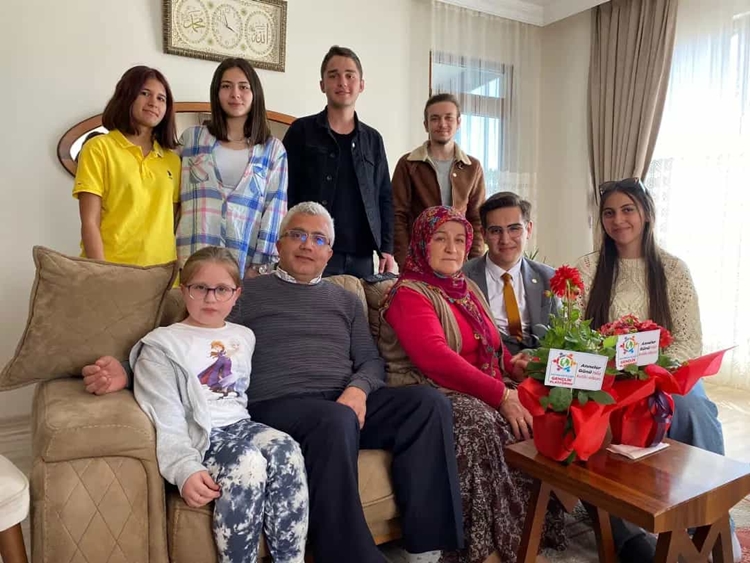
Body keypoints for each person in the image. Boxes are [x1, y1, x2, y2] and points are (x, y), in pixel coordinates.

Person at [82, 202, 464, 563]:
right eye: (297, 234)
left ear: (329, 253)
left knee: (427, 404)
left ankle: (427, 548)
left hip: (341, 404)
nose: (307, 245)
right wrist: (126, 369)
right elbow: (193, 339)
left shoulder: (346, 300)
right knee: (335, 420)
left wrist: (358, 390)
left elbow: (370, 361)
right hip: (279, 405)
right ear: (279, 244)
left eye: (318, 239)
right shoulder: (245, 295)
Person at [382, 206, 565, 563]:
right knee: (481, 424)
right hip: (428, 391)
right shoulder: (409, 293)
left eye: (459, 239)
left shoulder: (465, 288)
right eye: (440, 238)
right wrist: (501, 395)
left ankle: (528, 533)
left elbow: (491, 343)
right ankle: (485, 547)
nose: (452, 248)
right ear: (422, 242)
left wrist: (512, 366)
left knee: (541, 404)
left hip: (475, 384)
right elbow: (435, 358)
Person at [576, 177, 741, 562]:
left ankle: (714, 520)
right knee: (591, 419)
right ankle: (630, 534)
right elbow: (579, 338)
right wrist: (619, 371)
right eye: (609, 213)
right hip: (610, 378)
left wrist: (654, 374)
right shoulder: (587, 269)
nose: (618, 220)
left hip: (666, 374)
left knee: (694, 407)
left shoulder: (673, 269)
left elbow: (689, 340)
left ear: (647, 214)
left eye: (627, 210)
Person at [131, 246, 308, 563]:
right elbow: (166, 417)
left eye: (222, 289)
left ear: (236, 293)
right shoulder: (162, 345)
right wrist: (184, 468)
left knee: (287, 448)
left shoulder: (244, 337)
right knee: (247, 462)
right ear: (183, 289)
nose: (210, 298)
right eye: (200, 288)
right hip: (200, 433)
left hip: (239, 424)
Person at [282, 46, 395, 278]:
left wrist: (387, 248)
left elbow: (384, 196)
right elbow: (285, 191)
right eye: (333, 75)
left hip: (361, 253)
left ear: (361, 84)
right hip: (311, 248)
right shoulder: (301, 131)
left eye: (349, 75)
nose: (342, 82)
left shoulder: (373, 139)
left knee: (356, 303)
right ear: (322, 84)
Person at [176, 58, 287, 277]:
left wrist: (259, 267)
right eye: (226, 86)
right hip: (192, 261)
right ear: (216, 93)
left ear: (255, 93)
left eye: (243, 87)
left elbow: (275, 211)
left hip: (244, 267)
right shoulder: (192, 140)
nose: (235, 94)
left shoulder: (273, 150)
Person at [73, 66, 180, 266]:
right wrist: (103, 272)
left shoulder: (172, 161)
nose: (153, 103)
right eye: (145, 93)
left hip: (161, 274)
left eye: (161, 98)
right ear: (127, 96)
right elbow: (89, 222)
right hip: (112, 269)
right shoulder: (99, 148)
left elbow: (170, 225)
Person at [392, 94, 486, 268]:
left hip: (458, 260)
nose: (442, 124)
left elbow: (477, 218)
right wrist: (406, 261)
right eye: (435, 118)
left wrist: (473, 263)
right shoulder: (408, 164)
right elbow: (397, 216)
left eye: (448, 118)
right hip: (419, 260)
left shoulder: (472, 167)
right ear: (425, 125)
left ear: (458, 122)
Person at [463, 192, 558, 356]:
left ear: (528, 229)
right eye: (495, 231)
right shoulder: (463, 278)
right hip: (486, 364)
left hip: (536, 365)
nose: (505, 240)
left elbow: (558, 339)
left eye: (514, 229)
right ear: (484, 235)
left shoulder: (548, 278)